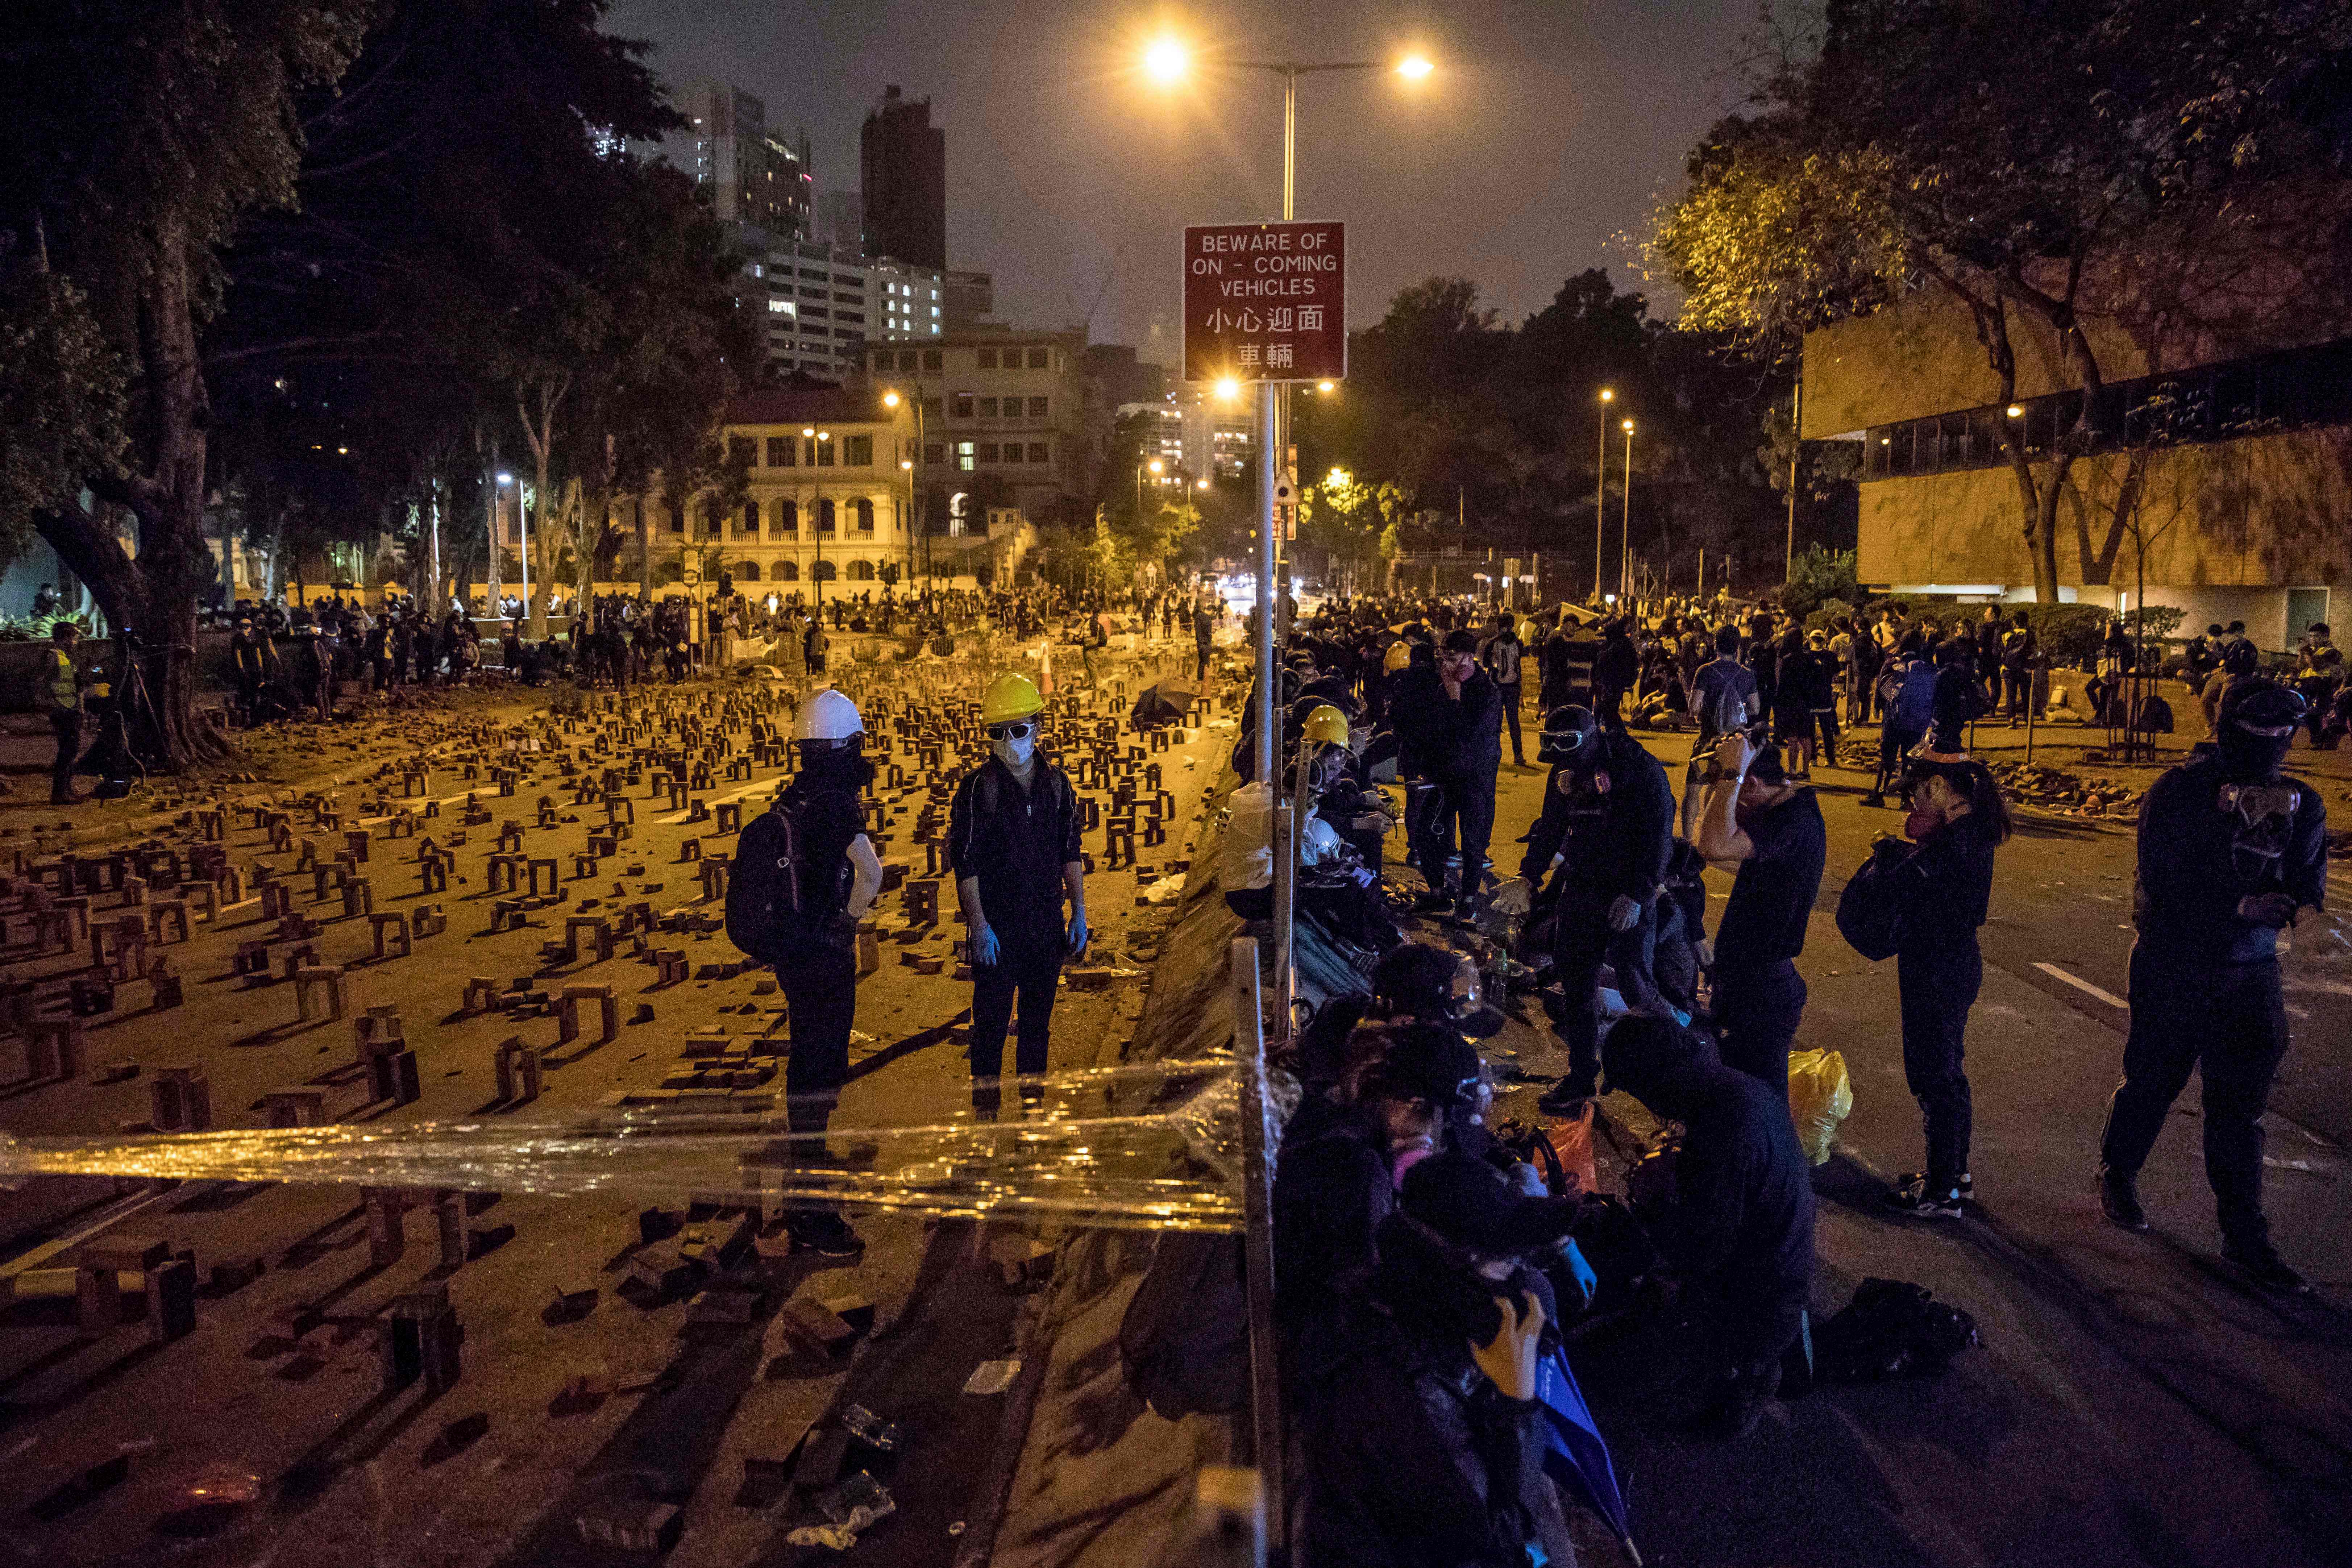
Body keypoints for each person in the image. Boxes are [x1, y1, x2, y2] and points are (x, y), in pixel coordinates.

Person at [2095, 679, 2326, 1292]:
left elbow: (2307, 877)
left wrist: (2310, 916)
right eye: (2261, 734)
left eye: (2282, 736)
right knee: (2154, 1079)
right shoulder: (2180, 791)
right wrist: (2239, 905)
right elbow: (2162, 879)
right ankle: (2118, 1170)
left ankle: (2244, 1236)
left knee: (2239, 1109)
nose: (2272, 748)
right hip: (2175, 962)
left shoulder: (2301, 802)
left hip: (2252, 971)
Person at [1298, 1147, 1580, 1567]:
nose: (1520, 1278)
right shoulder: (1397, 1397)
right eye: (1504, 1260)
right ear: (1447, 1273)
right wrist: (1517, 1404)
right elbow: (1499, 1540)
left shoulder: (1408, 1314)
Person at [727, 687, 884, 1257]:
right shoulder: (838, 803)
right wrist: (849, 919)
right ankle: (809, 1210)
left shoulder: (796, 796)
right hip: (824, 954)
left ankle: (808, 1158)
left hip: (793, 953)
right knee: (818, 1071)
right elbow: (872, 874)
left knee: (808, 1064)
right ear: (849, 745)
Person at [1604, 1015, 1813, 1437]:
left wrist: (1653, 1201)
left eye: (1637, 1093)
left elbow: (1701, 1251)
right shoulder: (1735, 1087)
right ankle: (1747, 1358)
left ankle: (1742, 1379)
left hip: (1765, 1299)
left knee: (1643, 1299)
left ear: (1656, 1083)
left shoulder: (1722, 1129)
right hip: (1784, 1269)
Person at [1491, 704, 1672, 1108]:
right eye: (1552, 747)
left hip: (1627, 888)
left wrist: (1638, 894)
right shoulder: (1564, 773)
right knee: (1576, 979)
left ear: (1591, 740)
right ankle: (1581, 1075)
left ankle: (1679, 1061)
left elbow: (1660, 835)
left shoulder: (1637, 769)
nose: (1561, 759)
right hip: (1584, 882)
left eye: (1567, 746)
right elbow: (1551, 827)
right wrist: (1527, 877)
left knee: (1635, 983)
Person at [1876, 753, 2012, 1218]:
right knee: (1947, 1070)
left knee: (1935, 1076)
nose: (1912, 803)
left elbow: (1911, 888)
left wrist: (1895, 865)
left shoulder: (1958, 840)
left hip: (1939, 965)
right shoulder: (1967, 831)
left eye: (1915, 793)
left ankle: (1942, 1191)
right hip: (1949, 962)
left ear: (1937, 786)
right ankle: (1954, 1174)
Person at [949, 674, 1088, 1119]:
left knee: (1036, 1026)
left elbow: (1070, 851)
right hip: (997, 930)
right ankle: (986, 1117)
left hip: (1044, 926)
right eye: (998, 732)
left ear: (1038, 727)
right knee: (989, 1027)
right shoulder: (977, 790)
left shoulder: (1058, 786)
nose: (1009, 741)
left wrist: (1079, 911)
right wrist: (979, 926)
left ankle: (1032, 1112)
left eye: (1019, 729)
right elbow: (965, 862)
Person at [1693, 732, 1825, 1094]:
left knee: (1760, 1100)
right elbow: (1711, 830)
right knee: (1737, 1092)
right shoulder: (1776, 809)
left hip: (1764, 990)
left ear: (1751, 784)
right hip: (1750, 980)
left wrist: (1731, 776)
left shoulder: (1792, 820)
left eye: (1737, 788)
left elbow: (1712, 844)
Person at [1390, 630, 1504, 916]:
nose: (1446, 664)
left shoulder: (1487, 692)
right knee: (1426, 833)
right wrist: (1425, 769)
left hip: (1475, 778)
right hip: (1444, 778)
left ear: (1470, 657)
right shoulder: (1444, 685)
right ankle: (1437, 892)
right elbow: (1434, 730)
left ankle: (1468, 900)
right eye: (1443, 657)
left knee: (1473, 840)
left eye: (1452, 658)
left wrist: (1455, 699)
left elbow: (1470, 736)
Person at [1861, 634, 1934, 808]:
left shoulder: (1893, 662)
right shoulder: (1925, 666)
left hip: (1893, 718)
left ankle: (1879, 794)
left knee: (1888, 757)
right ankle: (1905, 799)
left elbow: (1881, 686)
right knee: (1909, 759)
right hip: (1915, 720)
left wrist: (1877, 708)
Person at [42, 622, 86, 805]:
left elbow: (72, 686)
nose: (75, 642)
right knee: (67, 752)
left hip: (69, 710)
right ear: (66, 638)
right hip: (63, 711)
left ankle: (66, 789)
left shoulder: (64, 658)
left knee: (70, 751)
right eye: (74, 638)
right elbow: (45, 684)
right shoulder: (54, 657)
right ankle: (60, 793)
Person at [1478, 612, 1528, 767]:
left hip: (1498, 687)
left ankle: (1494, 754)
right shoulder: (1518, 643)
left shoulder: (1493, 643)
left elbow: (1486, 664)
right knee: (1513, 722)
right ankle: (1518, 755)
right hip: (1511, 687)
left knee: (1496, 721)